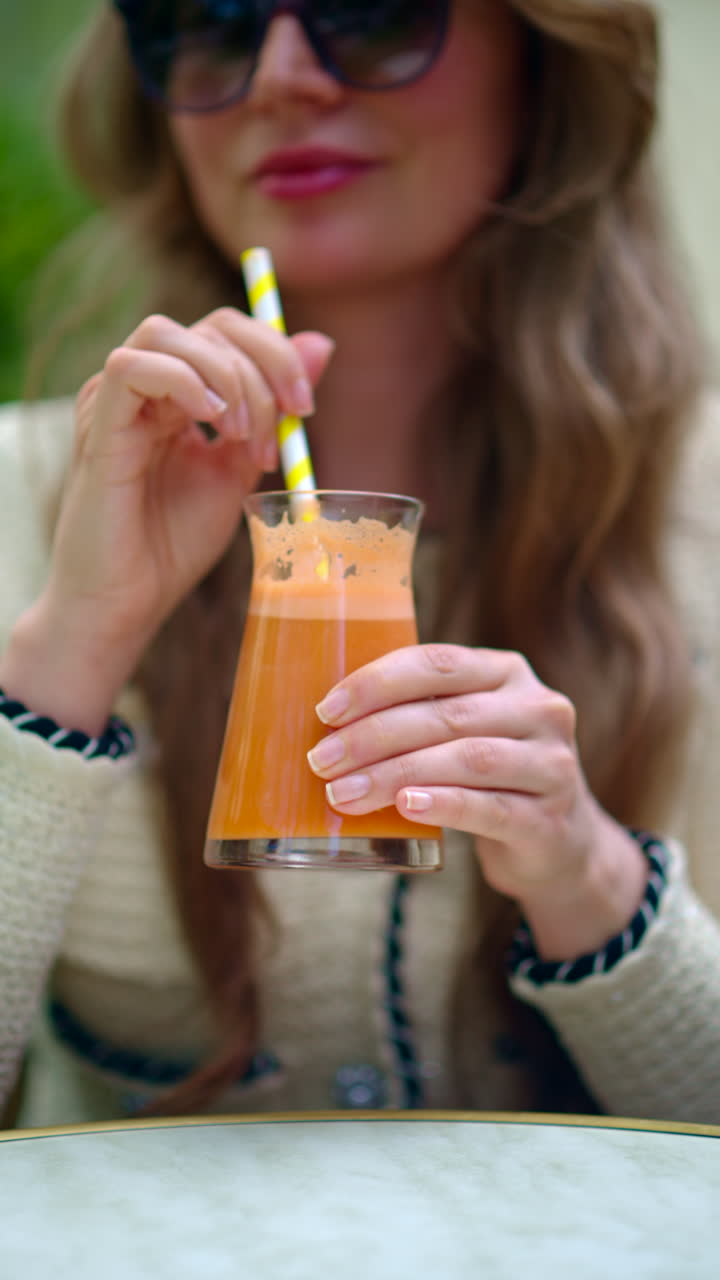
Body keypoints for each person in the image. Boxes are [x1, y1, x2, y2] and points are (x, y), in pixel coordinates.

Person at [1, 0, 719, 1130]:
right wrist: (70, 645)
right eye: (211, 22)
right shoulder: (19, 493)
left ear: (540, 61)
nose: (280, 78)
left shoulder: (703, 510)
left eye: (371, 13)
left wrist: (595, 881)